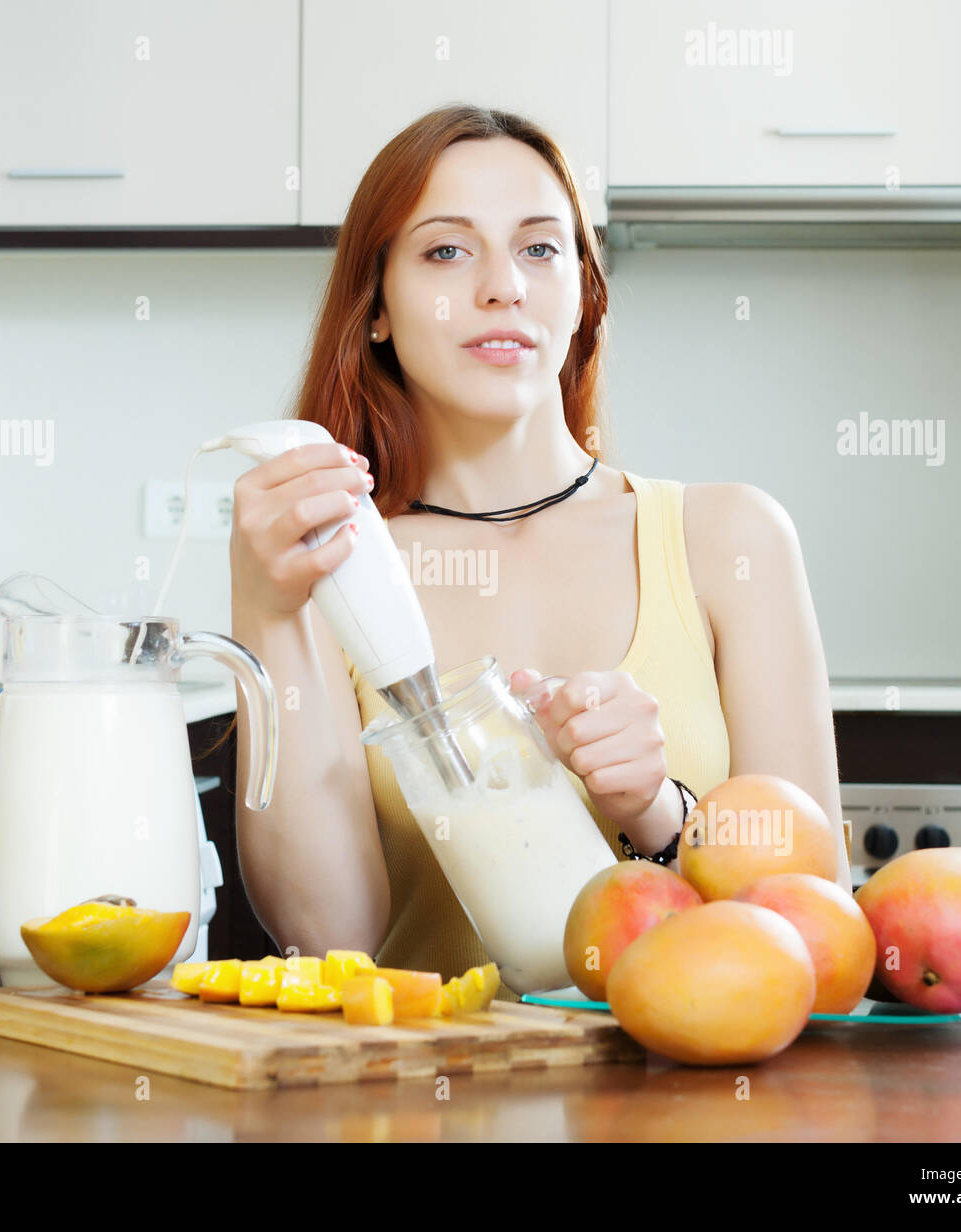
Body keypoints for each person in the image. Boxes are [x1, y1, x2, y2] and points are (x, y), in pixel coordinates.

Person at [229, 105, 848, 1000]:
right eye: (446, 251)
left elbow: (816, 929)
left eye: (540, 248)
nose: (502, 287)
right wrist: (267, 607)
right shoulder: (333, 572)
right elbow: (330, 934)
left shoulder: (731, 540)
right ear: (376, 311)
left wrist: (656, 813)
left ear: (585, 294)